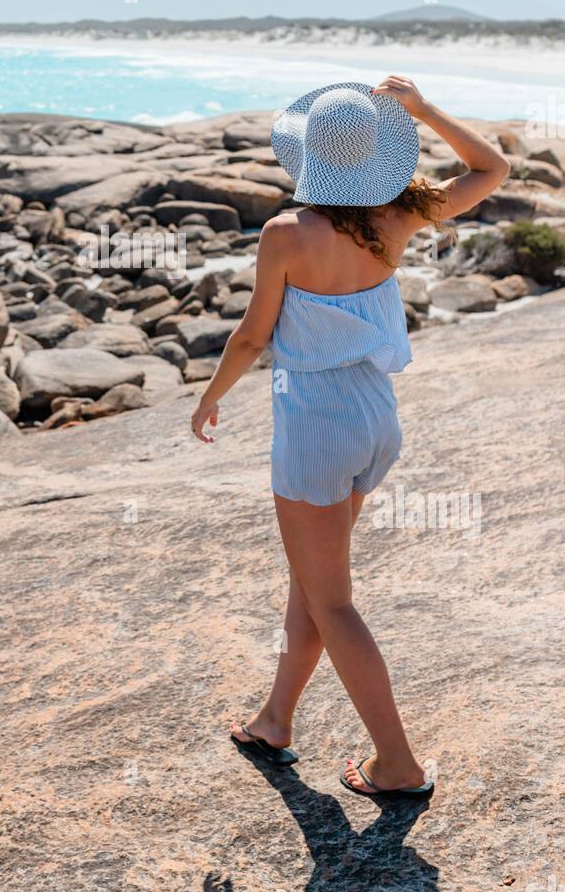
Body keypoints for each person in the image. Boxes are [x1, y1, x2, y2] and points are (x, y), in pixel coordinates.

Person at [190, 76, 510, 799]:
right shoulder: (402, 211)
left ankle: (397, 764)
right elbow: (494, 169)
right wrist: (426, 110)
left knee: (333, 598)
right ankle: (275, 719)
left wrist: (210, 398)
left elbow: (250, 337)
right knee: (316, 580)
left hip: (314, 427)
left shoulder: (285, 234)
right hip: (374, 417)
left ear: (310, 159)